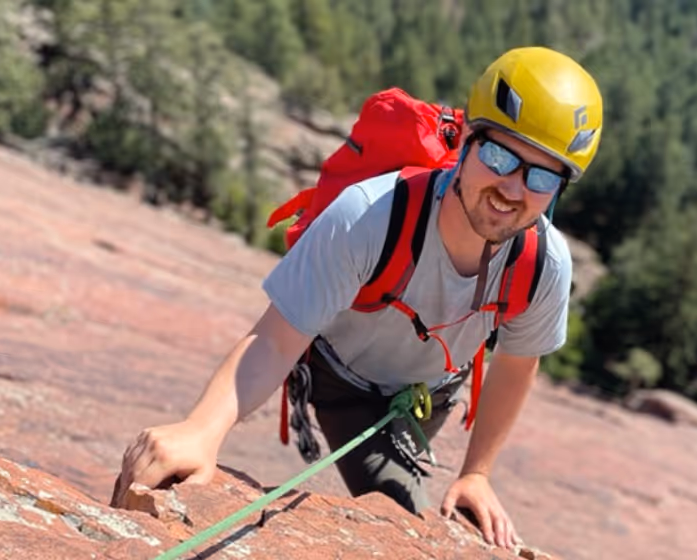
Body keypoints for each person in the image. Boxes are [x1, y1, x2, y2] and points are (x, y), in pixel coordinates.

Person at [110, 46, 603, 551]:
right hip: (342, 378)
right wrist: (201, 430)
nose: (512, 188)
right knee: (399, 518)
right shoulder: (372, 215)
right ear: (468, 140)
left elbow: (517, 366)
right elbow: (276, 341)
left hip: (428, 393)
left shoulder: (544, 264)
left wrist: (477, 473)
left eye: (542, 177)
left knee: (417, 525)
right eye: (500, 156)